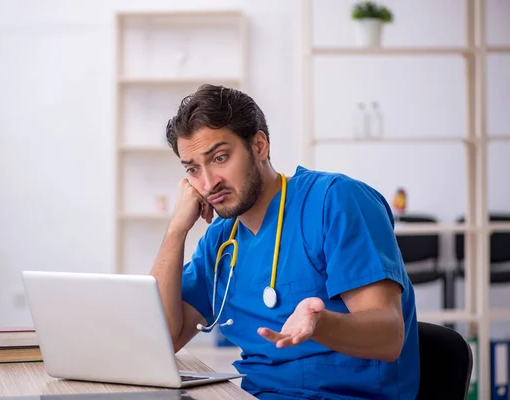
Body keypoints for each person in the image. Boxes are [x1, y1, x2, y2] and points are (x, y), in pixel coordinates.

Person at [150, 84, 420, 399]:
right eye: (193, 169)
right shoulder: (222, 239)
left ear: (260, 145)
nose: (208, 183)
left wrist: (320, 325)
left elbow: (388, 338)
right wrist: (176, 230)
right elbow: (162, 339)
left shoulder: (335, 201)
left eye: (220, 157)